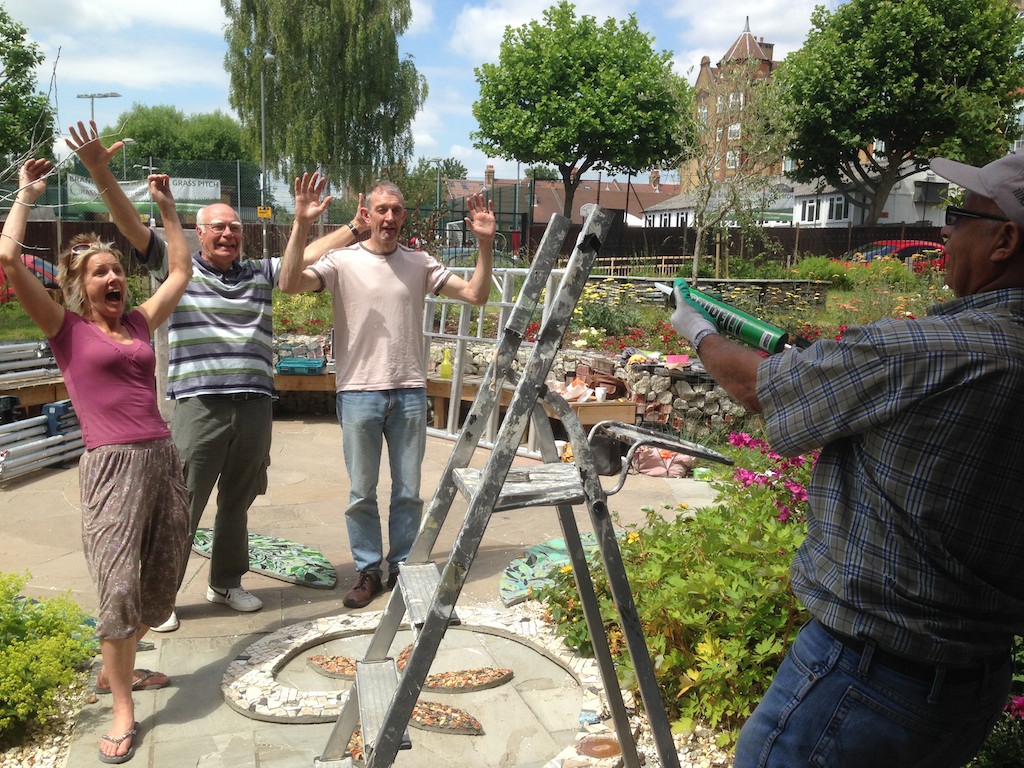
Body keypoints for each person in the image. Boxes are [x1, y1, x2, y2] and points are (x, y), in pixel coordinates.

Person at [669, 151, 1024, 768]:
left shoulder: (928, 350)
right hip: (975, 684)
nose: (943, 228)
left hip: (863, 681)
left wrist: (697, 330)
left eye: (960, 214)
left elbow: (761, 387)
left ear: (1005, 240)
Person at [65, 121, 360, 630]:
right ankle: (163, 599)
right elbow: (132, 224)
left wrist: (353, 228)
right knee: (182, 504)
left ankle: (226, 581)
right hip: (199, 404)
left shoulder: (260, 273)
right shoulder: (175, 269)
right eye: (217, 227)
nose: (227, 234)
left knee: (239, 501)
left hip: (254, 403)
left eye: (234, 227)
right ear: (198, 234)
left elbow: (307, 255)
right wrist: (102, 172)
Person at [1, 158, 192, 764]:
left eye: (116, 270)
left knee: (161, 576)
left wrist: (165, 209)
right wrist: (28, 194)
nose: (113, 277)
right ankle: (121, 706)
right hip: (110, 465)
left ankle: (123, 669)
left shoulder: (137, 322)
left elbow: (181, 271)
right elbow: (7, 261)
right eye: (99, 272)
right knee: (116, 585)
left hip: (162, 457)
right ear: (78, 286)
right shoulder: (65, 329)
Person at [280, 173, 495, 608]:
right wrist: (302, 222)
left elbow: (476, 295)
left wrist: (485, 244)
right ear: (367, 214)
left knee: (408, 491)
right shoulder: (342, 262)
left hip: (409, 392)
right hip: (358, 392)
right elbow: (288, 282)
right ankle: (367, 570)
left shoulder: (419, 262)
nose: (390, 217)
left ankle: (402, 567)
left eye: (397, 210)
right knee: (361, 492)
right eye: (382, 209)